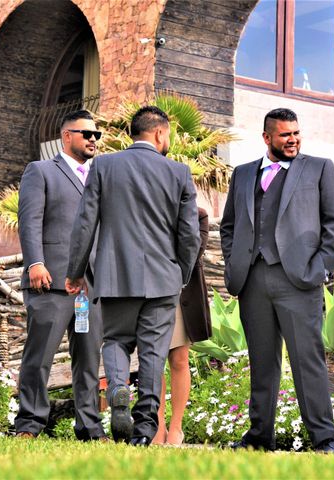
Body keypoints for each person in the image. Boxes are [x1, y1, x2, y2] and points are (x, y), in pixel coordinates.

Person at [65, 106, 200, 447]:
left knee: (116, 341)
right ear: (159, 134)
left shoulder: (104, 166)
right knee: (154, 353)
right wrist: (180, 273)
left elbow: (85, 223)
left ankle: (119, 387)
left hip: (115, 277)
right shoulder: (179, 173)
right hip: (163, 278)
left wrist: (76, 272)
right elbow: (190, 235)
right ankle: (143, 432)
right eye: (168, 135)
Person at [220, 107, 334, 452]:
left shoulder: (319, 168)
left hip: (299, 280)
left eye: (296, 133)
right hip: (253, 280)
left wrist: (320, 267)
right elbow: (229, 225)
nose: (292, 140)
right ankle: (259, 436)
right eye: (284, 135)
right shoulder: (244, 174)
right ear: (267, 138)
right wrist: (235, 264)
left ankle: (324, 439)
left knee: (308, 361)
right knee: (262, 363)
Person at [14, 110, 106, 441]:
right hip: (50, 281)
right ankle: (29, 423)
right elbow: (29, 220)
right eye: (86, 133)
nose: (93, 139)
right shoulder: (40, 171)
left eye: (97, 134)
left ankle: (89, 427)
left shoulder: (100, 177)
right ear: (67, 136)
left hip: (89, 286)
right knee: (39, 356)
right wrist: (35, 262)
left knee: (88, 360)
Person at [153, 207, 212, 446]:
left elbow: (192, 251)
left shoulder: (196, 215)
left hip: (179, 290)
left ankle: (176, 426)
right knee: (153, 361)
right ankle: (157, 425)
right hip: (149, 290)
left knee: (179, 358)